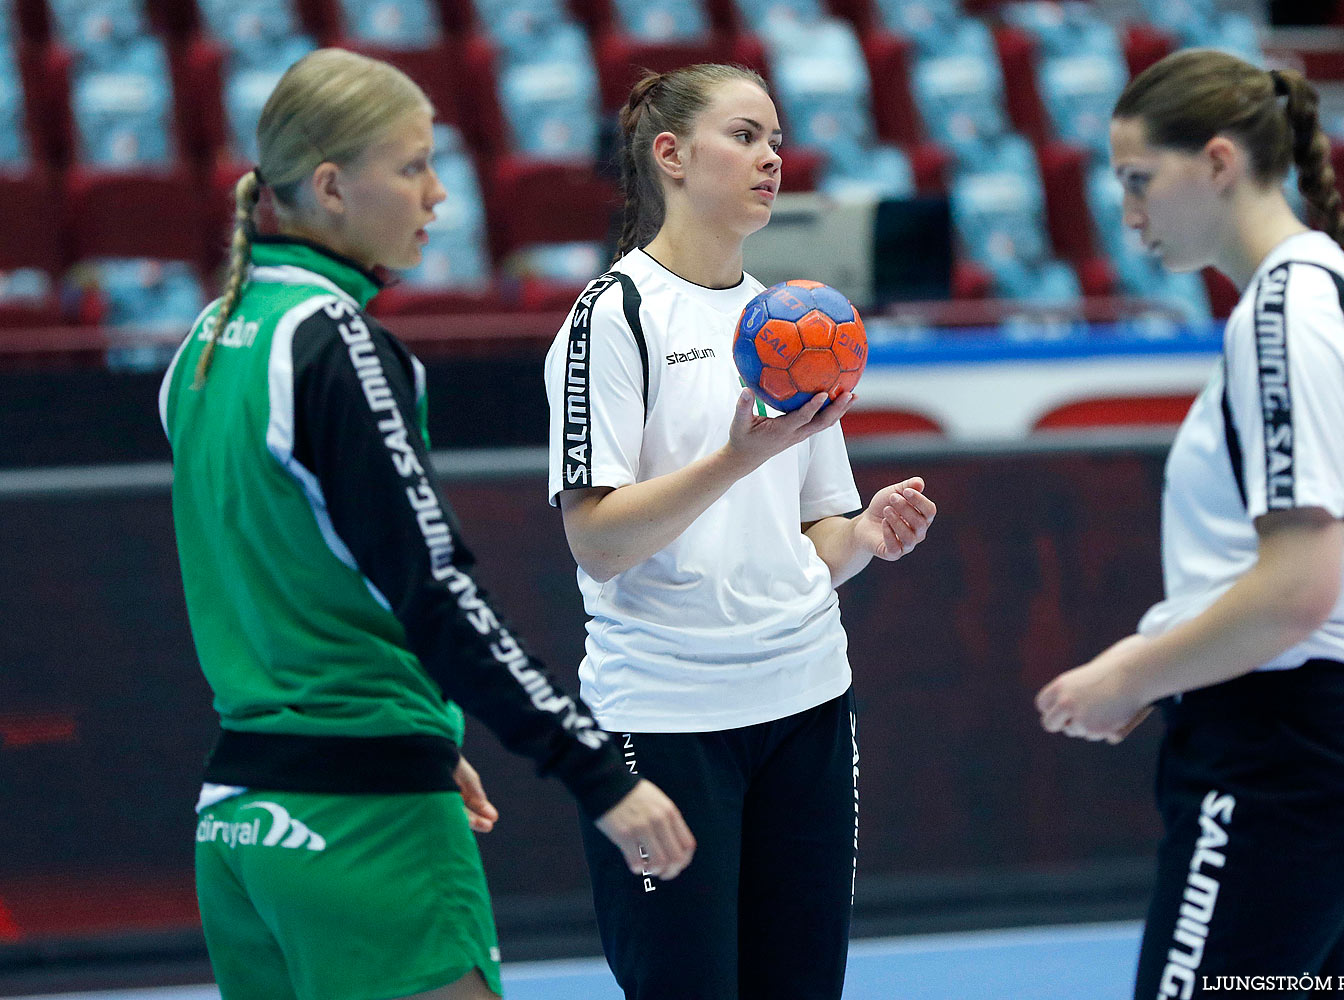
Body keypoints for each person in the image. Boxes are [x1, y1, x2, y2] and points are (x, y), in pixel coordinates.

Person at [159, 49, 693, 1000]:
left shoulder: (205, 342)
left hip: (240, 820)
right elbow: (438, 591)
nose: (439, 196)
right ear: (330, 186)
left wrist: (431, 739)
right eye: (412, 167)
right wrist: (596, 772)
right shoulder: (339, 346)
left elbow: (287, 578)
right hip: (364, 821)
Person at [1035, 50, 1344, 997]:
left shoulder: (1285, 316)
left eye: (1139, 181)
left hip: (1276, 764)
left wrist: (1128, 671)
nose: (1127, 216)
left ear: (1217, 162)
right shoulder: (1323, 291)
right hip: (1319, 752)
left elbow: (1298, 588)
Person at [542, 64, 937, 1000]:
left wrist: (868, 536)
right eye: (746, 136)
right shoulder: (614, 317)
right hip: (665, 722)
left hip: (805, 704)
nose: (771, 160)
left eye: (777, 142)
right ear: (670, 156)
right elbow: (594, 543)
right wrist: (734, 456)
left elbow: (818, 536)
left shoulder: (796, 323)